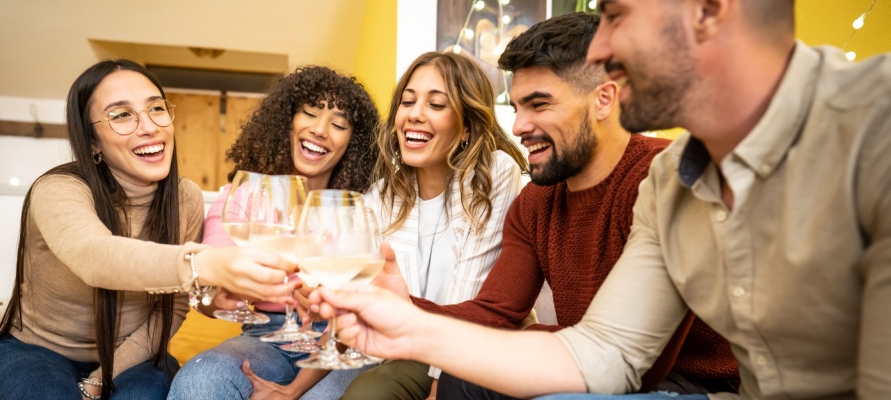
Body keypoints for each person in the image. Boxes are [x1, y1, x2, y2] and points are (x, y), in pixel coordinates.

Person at [309, 0, 891, 398]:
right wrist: (400, 319)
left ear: (708, 10)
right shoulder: (672, 185)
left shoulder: (875, 129)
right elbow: (605, 351)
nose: (603, 44)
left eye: (614, 14)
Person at [386, 13, 733, 399]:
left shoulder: (663, 179)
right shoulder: (536, 200)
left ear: (604, 100)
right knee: (462, 381)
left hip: (689, 383)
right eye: (517, 107)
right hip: (586, 365)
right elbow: (497, 314)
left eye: (539, 105)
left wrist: (526, 339)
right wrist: (400, 306)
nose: (518, 126)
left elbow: (640, 362)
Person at [0, 59, 299, 400]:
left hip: (135, 357)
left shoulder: (184, 198)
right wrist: (204, 264)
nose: (149, 127)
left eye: (157, 109)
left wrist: (101, 379)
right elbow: (94, 256)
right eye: (121, 115)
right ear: (92, 142)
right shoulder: (58, 190)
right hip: (33, 352)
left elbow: (172, 309)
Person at [166, 65, 380, 400]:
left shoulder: (364, 208)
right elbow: (208, 290)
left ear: (353, 142)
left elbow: (367, 306)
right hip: (265, 335)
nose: (320, 130)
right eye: (309, 113)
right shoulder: (242, 195)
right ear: (287, 121)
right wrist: (215, 295)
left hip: (343, 341)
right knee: (201, 378)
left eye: (339, 124)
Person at [337, 51, 528, 400]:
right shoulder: (383, 194)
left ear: (467, 125)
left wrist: (442, 385)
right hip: (408, 349)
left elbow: (469, 289)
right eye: (407, 102)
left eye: (436, 105)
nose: (414, 115)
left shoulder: (496, 173)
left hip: (481, 343)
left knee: (369, 393)